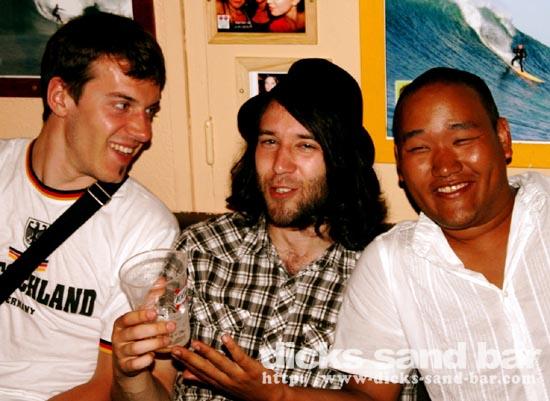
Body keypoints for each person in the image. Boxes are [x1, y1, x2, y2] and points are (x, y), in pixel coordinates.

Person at [110, 59, 421, 401]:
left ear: (341, 162)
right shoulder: (202, 249)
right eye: (269, 142)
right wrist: (129, 373)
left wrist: (273, 395)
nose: (279, 165)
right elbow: (159, 390)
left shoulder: (379, 272)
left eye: (305, 145)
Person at [326, 67, 549, 399]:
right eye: (419, 149)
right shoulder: (390, 264)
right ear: (400, 163)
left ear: (502, 138)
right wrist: (276, 396)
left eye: (462, 140)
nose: (444, 166)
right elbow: (370, 396)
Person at [0, 11, 179, 401]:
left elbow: (106, 386)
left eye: (149, 111)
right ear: (61, 97)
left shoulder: (144, 227)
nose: (143, 131)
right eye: (122, 105)